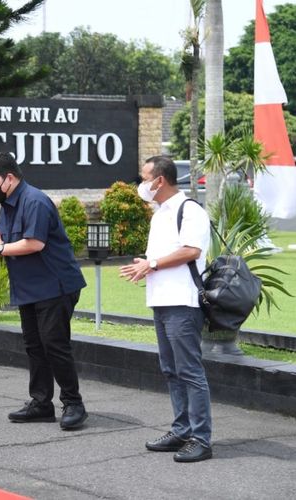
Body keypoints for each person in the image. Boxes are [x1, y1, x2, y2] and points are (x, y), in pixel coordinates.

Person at [0, 152, 88, 430]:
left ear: (9, 178)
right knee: (35, 346)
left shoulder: (34, 201)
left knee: (54, 345)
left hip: (54, 286)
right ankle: (41, 403)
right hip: (29, 288)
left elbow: (34, 243)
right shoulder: (9, 204)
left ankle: (74, 403)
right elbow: (10, 242)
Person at [119, 156, 213, 463]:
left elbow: (191, 251)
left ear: (160, 181)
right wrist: (145, 267)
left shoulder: (191, 210)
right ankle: (181, 430)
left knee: (189, 372)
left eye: (145, 178)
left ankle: (201, 438)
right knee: (171, 371)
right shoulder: (160, 214)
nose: (141, 184)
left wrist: (153, 264)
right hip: (161, 302)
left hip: (183, 304)